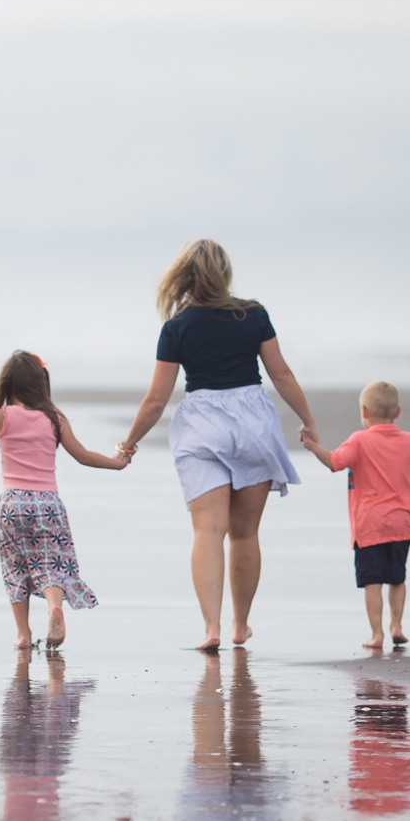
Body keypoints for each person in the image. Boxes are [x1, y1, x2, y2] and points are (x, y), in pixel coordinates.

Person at [120, 239, 319, 652]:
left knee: (208, 530)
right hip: (253, 423)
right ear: (224, 273)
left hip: (202, 424)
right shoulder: (254, 315)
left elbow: (157, 399)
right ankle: (240, 625)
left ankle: (211, 628)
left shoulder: (176, 327)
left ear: (185, 276)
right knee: (245, 533)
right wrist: (307, 419)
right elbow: (280, 375)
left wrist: (129, 443)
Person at [0, 351, 128, 652]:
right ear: (41, 383)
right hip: (47, 505)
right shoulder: (55, 419)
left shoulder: (4, 415)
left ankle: (23, 635)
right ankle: (54, 607)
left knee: (15, 568)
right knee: (51, 564)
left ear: (8, 384)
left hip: (11, 505)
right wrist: (117, 462)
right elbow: (83, 455)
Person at [299, 380, 410, 649]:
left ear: (364, 412)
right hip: (402, 523)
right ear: (398, 412)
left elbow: (334, 462)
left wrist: (311, 446)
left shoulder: (359, 440)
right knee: (397, 577)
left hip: (369, 526)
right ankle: (397, 626)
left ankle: (377, 634)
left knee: (372, 582)